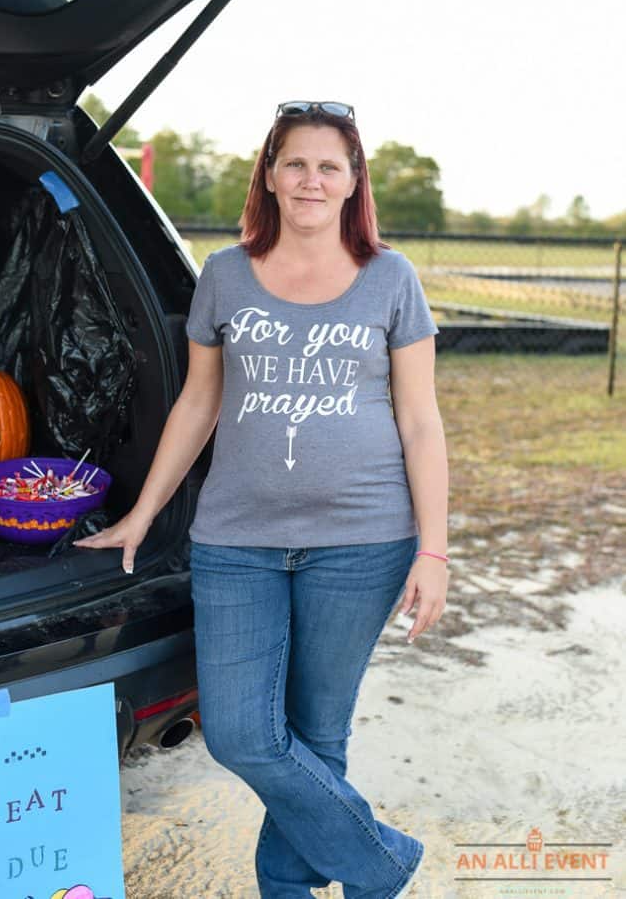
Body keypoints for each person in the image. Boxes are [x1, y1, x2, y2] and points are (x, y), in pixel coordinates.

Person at [74, 100, 449, 898]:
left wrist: (433, 549)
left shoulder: (392, 278)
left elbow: (421, 421)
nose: (311, 179)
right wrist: (143, 513)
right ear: (270, 175)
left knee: (318, 733)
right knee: (242, 732)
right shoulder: (226, 274)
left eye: (329, 166)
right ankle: (380, 864)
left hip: (363, 542)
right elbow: (198, 404)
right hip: (236, 541)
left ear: (353, 183)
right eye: (296, 163)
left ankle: (287, 889)